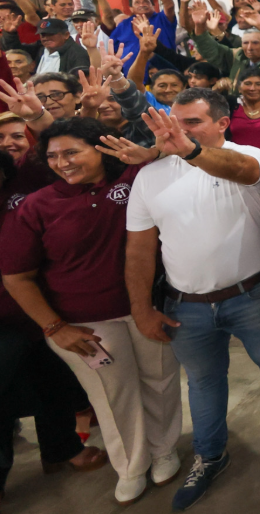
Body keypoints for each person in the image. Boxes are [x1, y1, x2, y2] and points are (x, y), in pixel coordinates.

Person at [116, 95, 260, 509]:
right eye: (174, 122)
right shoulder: (151, 176)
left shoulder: (247, 154)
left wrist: (192, 150)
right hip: (187, 305)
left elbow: (244, 172)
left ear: (221, 124)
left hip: (253, 294)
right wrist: (142, 308)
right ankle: (210, 454)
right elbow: (140, 251)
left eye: (192, 121)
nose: (178, 129)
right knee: (202, 382)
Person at [0, 118, 183, 505]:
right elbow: (17, 276)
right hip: (85, 323)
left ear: (100, 149)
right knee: (113, 396)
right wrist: (55, 328)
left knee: (160, 381)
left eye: (71, 152)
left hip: (147, 308)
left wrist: (150, 152)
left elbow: (175, 155)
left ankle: (164, 449)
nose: (62, 162)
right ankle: (131, 467)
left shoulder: (133, 179)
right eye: (52, 156)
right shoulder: (38, 205)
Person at [193, 8, 260, 116]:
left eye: (255, 43)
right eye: (245, 43)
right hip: (242, 116)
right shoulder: (237, 57)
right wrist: (199, 27)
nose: (249, 47)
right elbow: (210, 50)